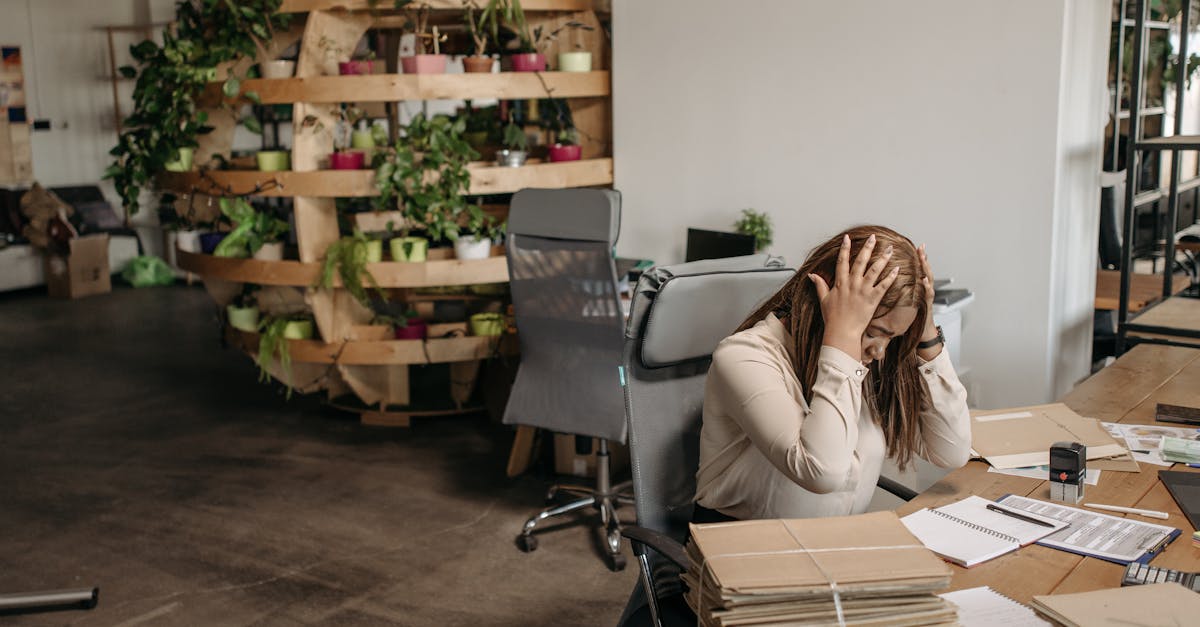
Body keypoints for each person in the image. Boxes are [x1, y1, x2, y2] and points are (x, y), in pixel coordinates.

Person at [693, 225, 972, 522]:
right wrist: (842, 336)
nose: (880, 352)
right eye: (875, 333)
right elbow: (821, 472)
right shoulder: (743, 357)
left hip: (830, 548)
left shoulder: (869, 361)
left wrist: (925, 330)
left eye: (894, 337)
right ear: (825, 299)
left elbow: (950, 452)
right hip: (744, 552)